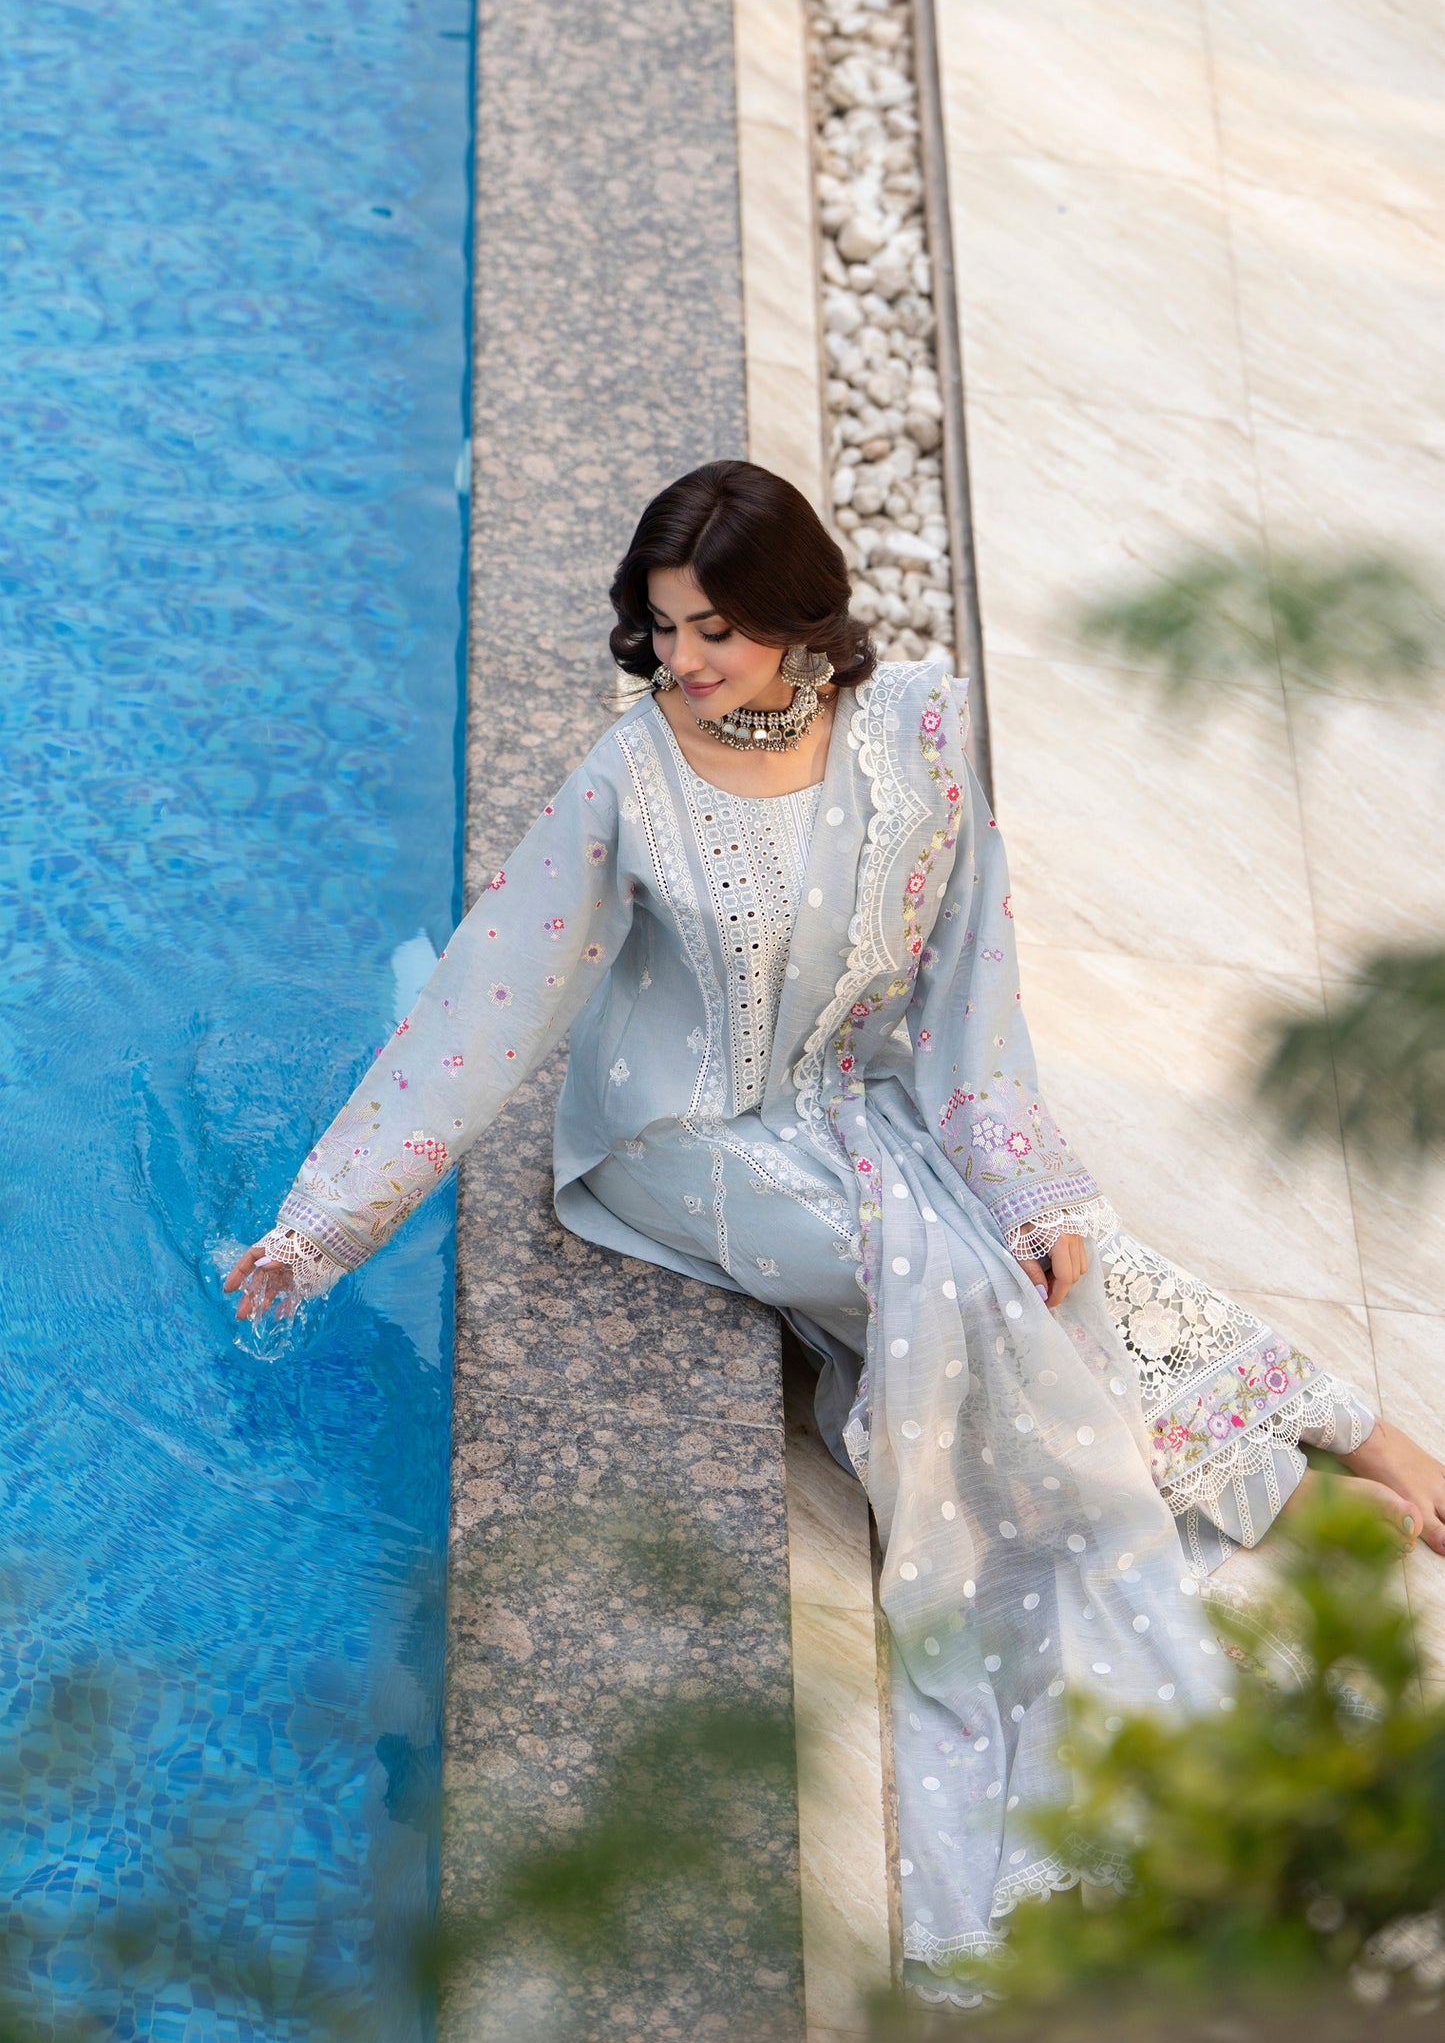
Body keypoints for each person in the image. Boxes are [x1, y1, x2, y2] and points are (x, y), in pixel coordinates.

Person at [225, 460, 1444, 1998]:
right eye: (663, 627)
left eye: (714, 630)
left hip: (875, 1101)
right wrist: (325, 1224)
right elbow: (486, 1000)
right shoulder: (629, 779)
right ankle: (1256, 1492)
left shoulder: (916, 727)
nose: (681, 661)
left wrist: (1022, 1175)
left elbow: (968, 992)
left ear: (800, 617)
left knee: (1042, 1250)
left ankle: (1330, 1428)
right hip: (688, 1143)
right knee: (931, 1276)